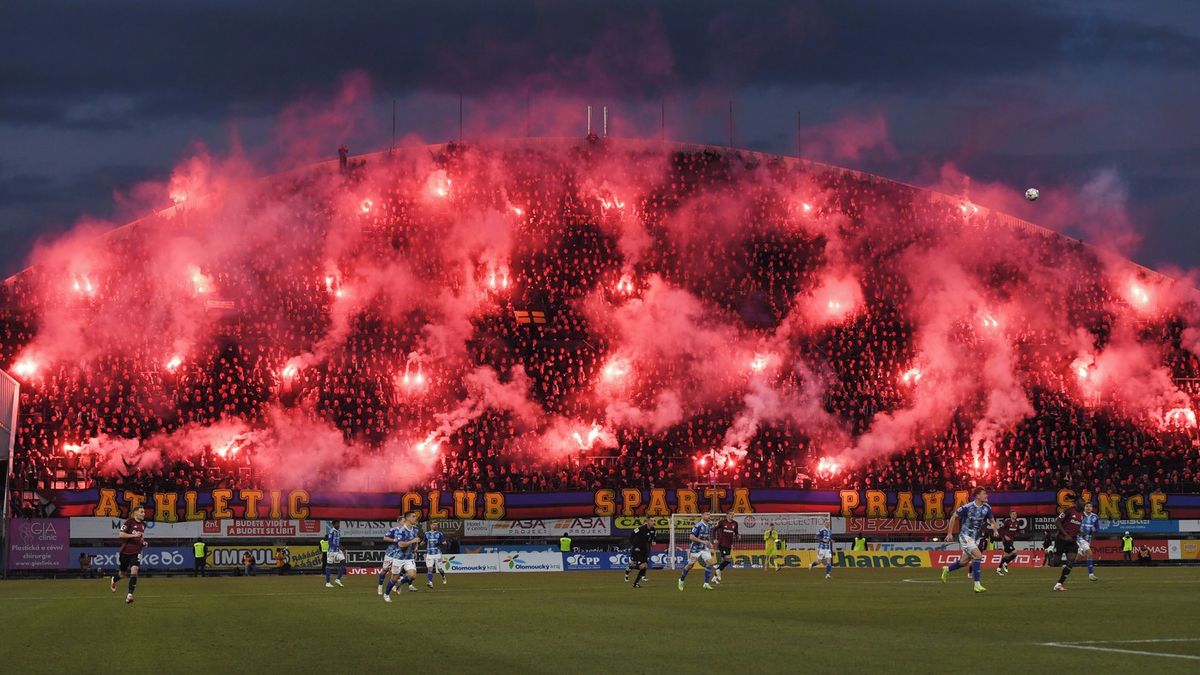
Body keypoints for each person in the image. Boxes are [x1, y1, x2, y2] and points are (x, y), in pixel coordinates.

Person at [941, 487, 996, 593]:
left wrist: (995, 529)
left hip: (975, 538)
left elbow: (992, 521)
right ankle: (977, 585)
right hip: (965, 536)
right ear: (977, 496)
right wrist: (949, 533)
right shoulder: (967, 507)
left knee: (964, 562)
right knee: (978, 555)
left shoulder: (987, 508)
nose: (986, 495)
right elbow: (953, 517)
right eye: (984, 494)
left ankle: (947, 569)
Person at [110, 505, 147, 604]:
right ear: (136, 513)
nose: (144, 513)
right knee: (122, 574)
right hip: (125, 551)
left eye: (144, 512)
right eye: (142, 512)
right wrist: (134, 535)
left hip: (136, 552)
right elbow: (121, 534)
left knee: (134, 570)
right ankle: (114, 579)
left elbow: (141, 537)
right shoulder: (129, 522)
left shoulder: (144, 524)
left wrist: (143, 542)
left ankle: (129, 595)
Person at [383, 511, 421, 602]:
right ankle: (386, 594)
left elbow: (416, 540)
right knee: (394, 578)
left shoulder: (415, 529)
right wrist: (412, 541)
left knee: (413, 576)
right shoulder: (402, 531)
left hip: (409, 558)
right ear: (408, 518)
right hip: (398, 558)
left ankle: (400, 583)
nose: (415, 518)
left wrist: (416, 546)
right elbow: (401, 545)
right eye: (413, 516)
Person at [678, 512, 716, 591]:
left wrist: (709, 543)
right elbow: (691, 537)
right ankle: (681, 580)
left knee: (710, 563)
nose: (709, 516)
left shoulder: (709, 526)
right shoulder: (698, 525)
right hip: (695, 549)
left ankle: (706, 583)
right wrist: (702, 541)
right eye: (707, 515)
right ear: (702, 516)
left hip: (704, 548)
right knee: (690, 566)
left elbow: (707, 535)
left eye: (709, 515)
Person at [1052, 498, 1084, 591]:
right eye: (1082, 503)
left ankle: (1059, 584)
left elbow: (1075, 527)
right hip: (1061, 539)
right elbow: (1057, 522)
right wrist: (1065, 535)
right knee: (1056, 563)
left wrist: (1080, 532)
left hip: (1072, 541)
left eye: (1084, 503)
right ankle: (1050, 553)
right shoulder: (1069, 510)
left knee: (1071, 560)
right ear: (1076, 503)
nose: (1083, 505)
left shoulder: (1082, 515)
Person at [627, 516, 655, 588]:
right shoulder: (640, 529)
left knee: (645, 566)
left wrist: (653, 541)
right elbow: (631, 537)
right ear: (648, 521)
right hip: (637, 550)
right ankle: (631, 567)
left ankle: (635, 584)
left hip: (644, 550)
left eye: (654, 521)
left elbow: (652, 537)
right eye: (652, 521)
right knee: (642, 566)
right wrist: (635, 546)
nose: (653, 522)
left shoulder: (653, 530)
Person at [713, 510, 739, 584]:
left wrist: (738, 536)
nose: (732, 515)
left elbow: (736, 533)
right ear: (727, 515)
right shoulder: (722, 522)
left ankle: (715, 576)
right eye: (730, 514)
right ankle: (718, 570)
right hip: (722, 544)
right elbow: (714, 530)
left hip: (729, 545)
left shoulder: (735, 524)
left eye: (733, 514)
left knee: (726, 561)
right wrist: (715, 539)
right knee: (728, 558)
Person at [378, 515, 402, 594]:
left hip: (400, 555)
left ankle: (396, 587)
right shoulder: (394, 530)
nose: (404, 522)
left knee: (398, 572)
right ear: (399, 522)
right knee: (384, 571)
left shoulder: (406, 532)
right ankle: (380, 586)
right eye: (403, 521)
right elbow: (385, 538)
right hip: (390, 554)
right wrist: (394, 540)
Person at [1078, 503, 1100, 581]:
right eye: (1086, 506)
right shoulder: (1080, 515)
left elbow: (1098, 528)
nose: (1088, 508)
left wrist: (1095, 530)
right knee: (1090, 553)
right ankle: (1091, 574)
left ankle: (1067, 564)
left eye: (1090, 506)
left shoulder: (1095, 517)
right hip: (1079, 538)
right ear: (1084, 507)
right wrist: (1079, 530)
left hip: (1088, 539)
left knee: (1079, 558)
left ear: (1092, 508)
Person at [995, 511, 1021, 575]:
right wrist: (1005, 536)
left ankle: (998, 569)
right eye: (1013, 514)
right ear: (1010, 515)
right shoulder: (1007, 522)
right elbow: (1000, 529)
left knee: (1006, 555)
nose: (1015, 515)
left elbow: (1017, 530)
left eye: (1015, 514)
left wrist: (1021, 532)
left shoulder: (1017, 522)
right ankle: (1006, 563)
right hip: (1006, 541)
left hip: (1011, 541)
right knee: (1015, 552)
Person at [424, 520, 447, 588]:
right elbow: (424, 541)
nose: (435, 526)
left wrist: (439, 543)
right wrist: (420, 542)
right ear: (431, 525)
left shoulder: (439, 534)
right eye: (434, 525)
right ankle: (430, 582)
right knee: (430, 569)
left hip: (437, 554)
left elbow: (444, 542)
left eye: (436, 525)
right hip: (429, 554)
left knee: (440, 569)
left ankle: (443, 576)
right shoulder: (426, 533)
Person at [325, 520, 346, 588]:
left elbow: (338, 541)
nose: (338, 525)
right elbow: (329, 542)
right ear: (334, 524)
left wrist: (341, 547)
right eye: (337, 523)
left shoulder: (338, 531)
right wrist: (338, 546)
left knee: (343, 561)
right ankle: (328, 583)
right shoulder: (332, 531)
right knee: (329, 565)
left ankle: (338, 579)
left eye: (339, 523)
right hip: (331, 551)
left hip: (337, 551)